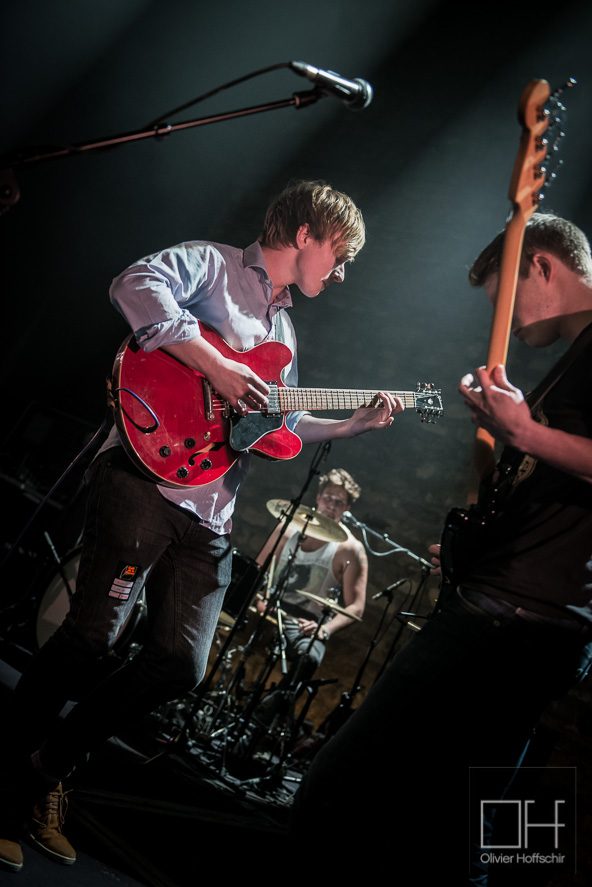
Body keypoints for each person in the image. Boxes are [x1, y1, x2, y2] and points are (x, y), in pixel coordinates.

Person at [0, 180, 403, 872]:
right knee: (92, 636)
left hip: (212, 511)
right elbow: (134, 283)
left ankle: (45, 769)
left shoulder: (284, 331)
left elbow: (276, 422)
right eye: (340, 255)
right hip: (146, 477)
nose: (341, 273)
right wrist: (215, 364)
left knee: (180, 664)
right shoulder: (213, 265)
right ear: (306, 233)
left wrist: (351, 426)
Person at [290, 212, 592, 882]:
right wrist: (477, 539)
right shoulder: (574, 360)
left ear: (541, 266)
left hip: (513, 625)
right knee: (446, 834)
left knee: (340, 791)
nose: (506, 324)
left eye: (504, 301)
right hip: (514, 614)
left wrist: (525, 432)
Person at [251, 468, 367, 731]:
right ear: (317, 497)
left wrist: (324, 629)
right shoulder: (288, 527)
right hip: (269, 607)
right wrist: (259, 599)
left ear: (347, 508)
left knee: (309, 657)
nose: (332, 506)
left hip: (305, 622)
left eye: (339, 502)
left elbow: (357, 607)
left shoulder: (350, 549)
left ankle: (265, 715)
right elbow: (258, 567)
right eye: (328, 498)